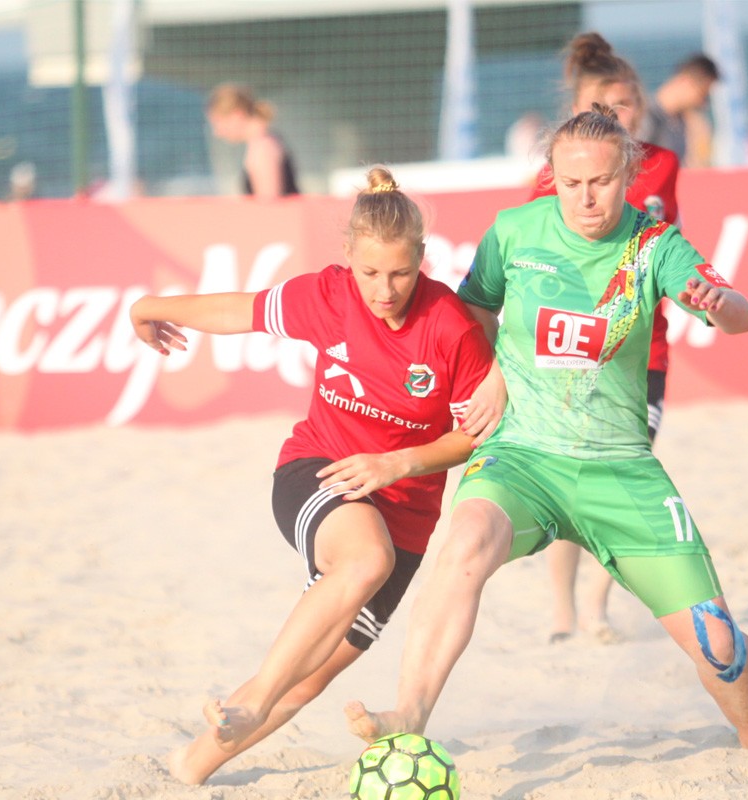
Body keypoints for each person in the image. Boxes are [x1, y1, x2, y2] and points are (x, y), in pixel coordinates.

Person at [346, 105, 748, 757]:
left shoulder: (655, 244)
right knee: (464, 540)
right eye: (572, 183)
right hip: (522, 456)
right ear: (552, 175)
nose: (586, 198)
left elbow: (742, 316)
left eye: (601, 182)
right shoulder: (515, 231)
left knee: (718, 641)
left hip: (620, 469)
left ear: (628, 174)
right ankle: (409, 712)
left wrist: (722, 306)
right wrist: (490, 373)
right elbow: (472, 312)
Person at [129, 166, 494, 785]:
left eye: (401, 274)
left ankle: (189, 766)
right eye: (370, 273)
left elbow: (470, 435)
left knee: (312, 675)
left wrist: (398, 463)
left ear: (422, 259)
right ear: (348, 256)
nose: (384, 290)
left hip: (405, 511)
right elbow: (240, 310)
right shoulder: (329, 297)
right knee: (365, 560)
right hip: (319, 469)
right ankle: (254, 700)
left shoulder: (451, 327)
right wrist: (150, 307)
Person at [529, 32, 681, 644]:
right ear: (579, 110)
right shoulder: (553, 177)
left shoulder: (663, 163)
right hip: (574, 349)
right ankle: (562, 611)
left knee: (624, 475)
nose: (618, 114)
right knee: (569, 482)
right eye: (605, 105)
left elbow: (668, 243)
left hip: (644, 352)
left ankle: (595, 605)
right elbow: (534, 261)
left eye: (627, 103)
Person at [206, 83, 301, 199]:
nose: (217, 133)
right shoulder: (266, 141)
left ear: (237, 115)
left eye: (218, 123)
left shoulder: (262, 148)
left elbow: (269, 204)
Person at [638, 52, 720, 167]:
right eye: (702, 94)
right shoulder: (646, 115)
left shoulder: (681, 121)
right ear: (685, 81)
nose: (703, 103)